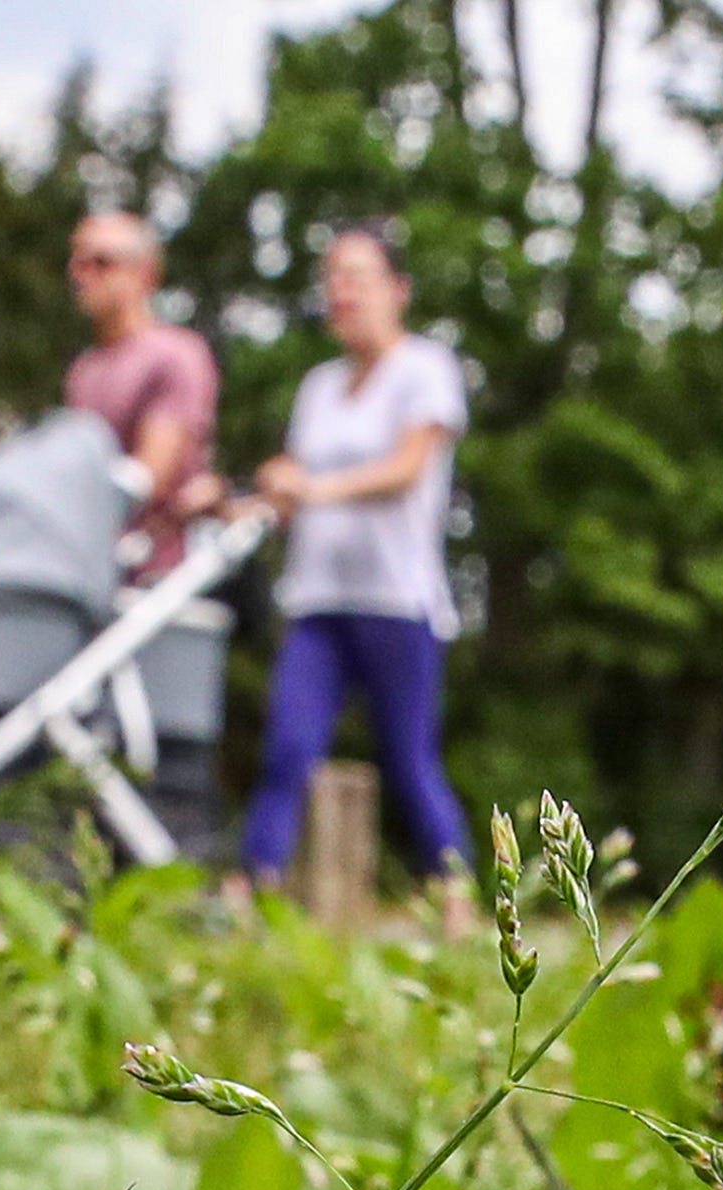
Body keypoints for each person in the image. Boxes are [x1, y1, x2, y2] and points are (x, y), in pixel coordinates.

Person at [241, 226, 474, 922]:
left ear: (397, 290)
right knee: (288, 747)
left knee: (410, 760)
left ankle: (460, 904)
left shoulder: (425, 368)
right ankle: (256, 894)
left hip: (398, 601)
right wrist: (248, 499)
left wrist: (313, 487)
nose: (341, 290)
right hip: (317, 600)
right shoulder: (317, 387)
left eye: (358, 275)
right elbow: (293, 491)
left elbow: (407, 470)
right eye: (332, 276)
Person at [62, 211, 221, 577]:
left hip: (157, 583)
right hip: (91, 575)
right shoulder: (85, 369)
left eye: (102, 262)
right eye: (78, 262)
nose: (82, 275)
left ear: (146, 274)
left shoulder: (176, 354)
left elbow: (148, 477)